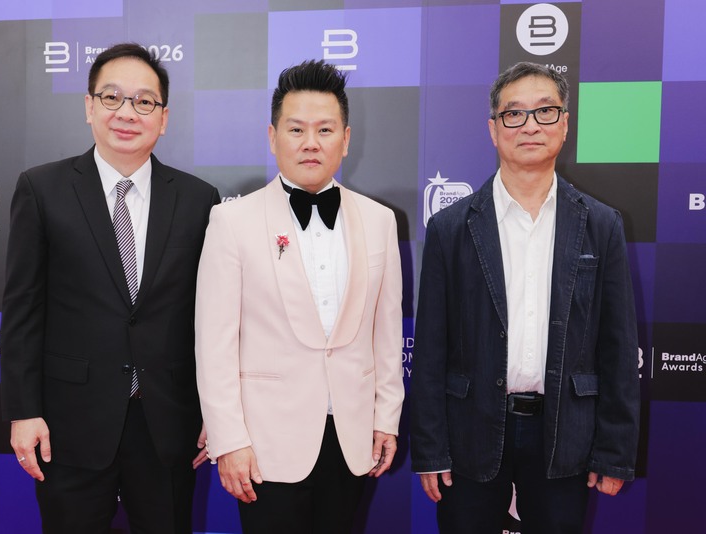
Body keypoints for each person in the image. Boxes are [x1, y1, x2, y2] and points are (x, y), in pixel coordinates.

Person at [410, 61, 640, 533]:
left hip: (565, 434)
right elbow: (430, 348)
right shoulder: (450, 228)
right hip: (471, 431)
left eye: (545, 111)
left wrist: (615, 450)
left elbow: (618, 347)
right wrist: (430, 448)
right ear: (493, 129)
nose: (530, 125)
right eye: (514, 114)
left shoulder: (601, 225)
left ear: (565, 124)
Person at [0, 43, 220, 533]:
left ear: (164, 118)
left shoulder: (198, 199)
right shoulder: (42, 189)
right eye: (112, 97)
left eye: (144, 101)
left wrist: (215, 410)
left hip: (167, 423)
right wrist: (23, 412)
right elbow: (21, 311)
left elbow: (210, 319)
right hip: (69, 424)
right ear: (89, 106)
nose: (127, 112)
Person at [194, 59, 404, 534]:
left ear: (345, 139)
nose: (311, 142)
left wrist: (386, 417)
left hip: (351, 439)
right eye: (296, 129)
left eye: (325, 129)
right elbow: (214, 344)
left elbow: (386, 333)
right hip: (265, 445)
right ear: (273, 137)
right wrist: (229, 440)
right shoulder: (232, 222)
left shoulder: (379, 220)